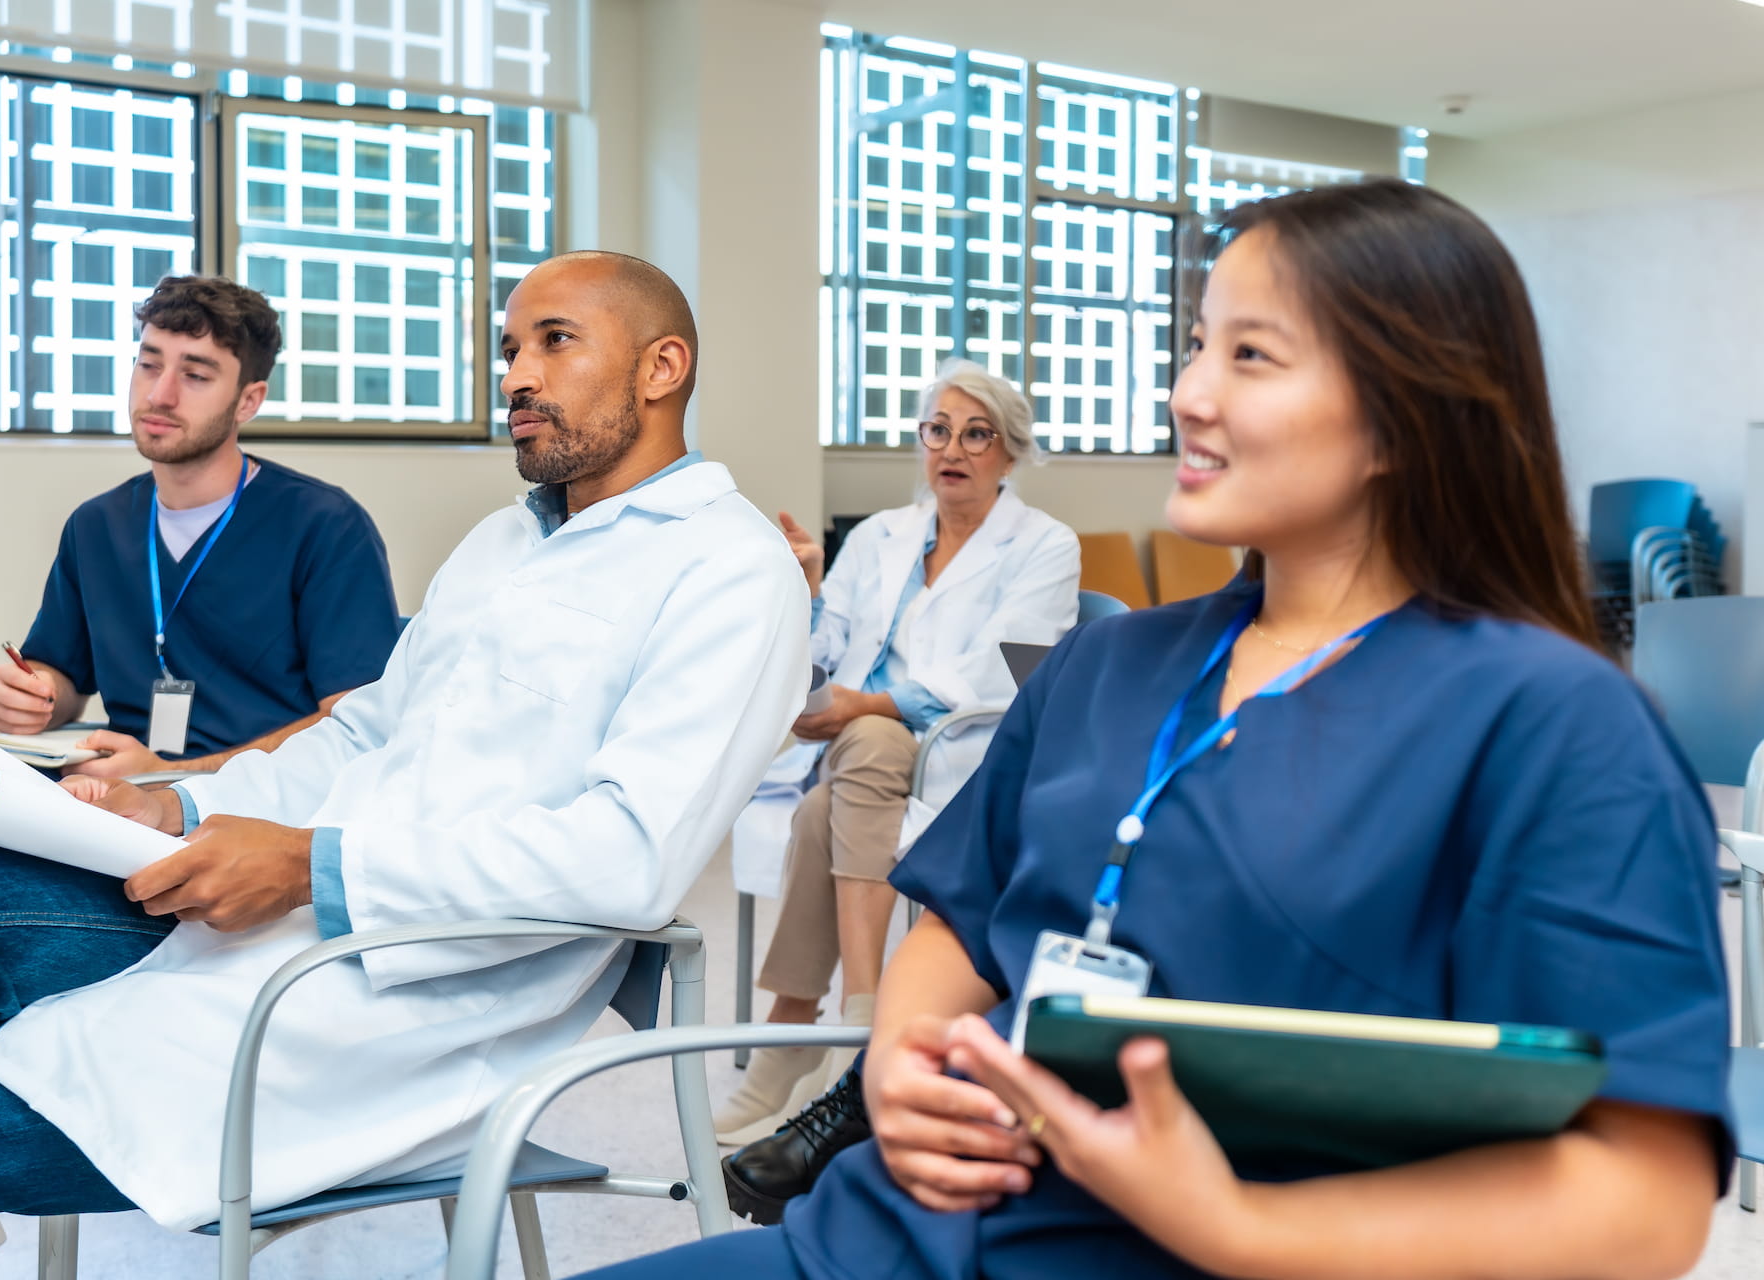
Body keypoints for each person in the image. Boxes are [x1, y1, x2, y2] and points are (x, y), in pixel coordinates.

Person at [583, 181, 1731, 1279]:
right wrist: (907, 1065)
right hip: (892, 1238)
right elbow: (962, 927)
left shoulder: (1556, 724)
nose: (1187, 390)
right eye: (1194, 345)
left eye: (1250, 354)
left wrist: (1241, 1227)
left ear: (1404, 416)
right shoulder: (1111, 661)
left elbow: (1649, 1196)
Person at [0, 250, 810, 1278]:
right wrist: (172, 802)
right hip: (268, 909)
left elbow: (627, 858)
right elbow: (359, 737)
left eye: (555, 342)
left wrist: (314, 866)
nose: (518, 374)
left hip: (415, 999)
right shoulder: (501, 545)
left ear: (663, 367)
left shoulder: (729, 572)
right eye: (510, 348)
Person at [717, 359, 1079, 1145]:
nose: (953, 448)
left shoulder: (1046, 547)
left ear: (1009, 453)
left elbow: (1006, 673)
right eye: (938, 430)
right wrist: (804, 590)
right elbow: (821, 658)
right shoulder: (880, 536)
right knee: (844, 778)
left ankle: (828, 1022)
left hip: (963, 754)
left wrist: (868, 706)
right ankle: (838, 1026)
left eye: (977, 434)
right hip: (857, 757)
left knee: (862, 756)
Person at [0, 275, 401, 832]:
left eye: (194, 375)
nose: (159, 394)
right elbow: (64, 679)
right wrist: (36, 696)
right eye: (149, 364)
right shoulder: (97, 526)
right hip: (116, 794)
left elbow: (357, 724)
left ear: (249, 400)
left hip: (254, 817)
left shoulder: (325, 526)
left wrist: (178, 778)